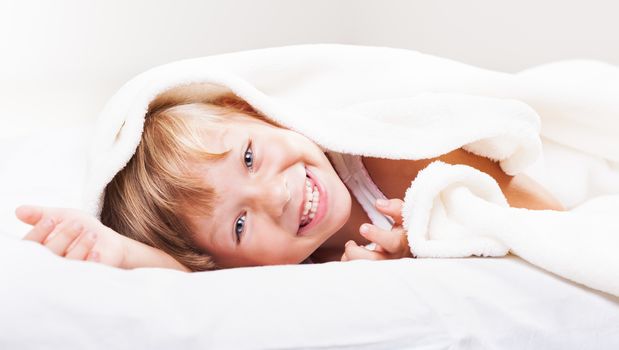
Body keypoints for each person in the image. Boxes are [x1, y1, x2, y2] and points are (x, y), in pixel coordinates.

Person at [15, 88, 564, 272]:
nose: (275, 195)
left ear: (252, 110)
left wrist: (430, 237)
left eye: (248, 157)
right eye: (237, 224)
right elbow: (190, 280)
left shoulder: (386, 161)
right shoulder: (288, 268)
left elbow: (540, 217)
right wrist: (120, 252)